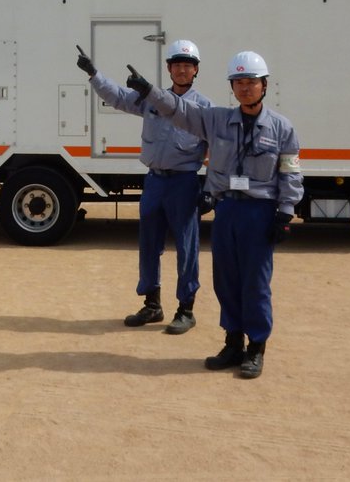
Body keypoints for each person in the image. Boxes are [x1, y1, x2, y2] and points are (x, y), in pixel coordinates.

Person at [125, 50, 302, 378]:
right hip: (226, 210)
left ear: (264, 85)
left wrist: (286, 212)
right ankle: (232, 343)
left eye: (251, 82)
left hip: (259, 212)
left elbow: (290, 172)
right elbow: (179, 110)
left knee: (255, 283)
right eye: (239, 83)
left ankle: (256, 347)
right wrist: (150, 91)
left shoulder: (281, 128)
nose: (245, 88)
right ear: (232, 88)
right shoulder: (216, 119)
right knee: (226, 280)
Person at [76, 40, 211, 334]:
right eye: (177, 65)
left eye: (187, 65)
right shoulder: (151, 100)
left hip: (184, 183)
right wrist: (94, 74)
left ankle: (186, 310)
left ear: (196, 70)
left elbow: (217, 149)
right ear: (169, 68)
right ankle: (152, 304)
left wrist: (211, 187)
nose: (182, 70)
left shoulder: (204, 108)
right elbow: (119, 97)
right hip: (155, 181)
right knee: (148, 243)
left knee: (186, 247)